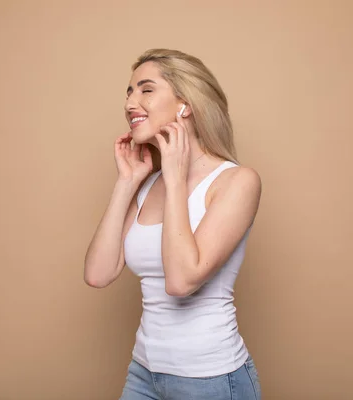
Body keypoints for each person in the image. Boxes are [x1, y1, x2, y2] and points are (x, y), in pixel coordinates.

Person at [84, 48, 262, 400]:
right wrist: (127, 182)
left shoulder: (237, 182)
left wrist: (177, 178)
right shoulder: (149, 183)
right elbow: (98, 274)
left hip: (210, 379)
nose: (131, 102)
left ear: (186, 104)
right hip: (144, 372)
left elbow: (181, 281)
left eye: (146, 90)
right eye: (129, 91)